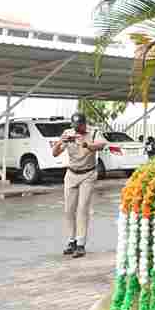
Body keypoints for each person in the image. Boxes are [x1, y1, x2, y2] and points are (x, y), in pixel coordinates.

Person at [52, 111, 106, 258]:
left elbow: (101, 145)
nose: (77, 129)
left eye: (79, 126)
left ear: (84, 124)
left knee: (82, 208)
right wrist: (60, 141)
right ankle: (72, 241)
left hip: (88, 174)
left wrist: (85, 144)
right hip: (71, 174)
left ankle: (81, 244)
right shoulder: (68, 133)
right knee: (69, 210)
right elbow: (55, 153)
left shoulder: (94, 132)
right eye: (74, 126)